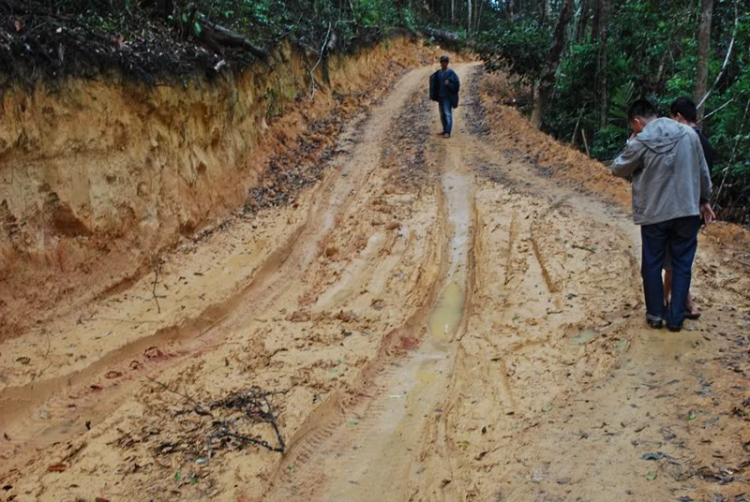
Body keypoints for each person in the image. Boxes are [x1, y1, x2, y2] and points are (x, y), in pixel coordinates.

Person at [612, 99, 713, 332]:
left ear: (638, 123)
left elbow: (618, 168)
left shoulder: (642, 140)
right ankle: (676, 319)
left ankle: (655, 315)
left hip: (655, 214)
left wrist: (632, 141)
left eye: (632, 128)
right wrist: (704, 200)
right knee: (682, 264)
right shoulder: (689, 134)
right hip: (687, 211)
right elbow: (702, 171)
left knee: (652, 263)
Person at [663, 97, 717, 319]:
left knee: (671, 262)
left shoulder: (681, 140)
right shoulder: (706, 142)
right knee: (682, 259)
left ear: (678, 117)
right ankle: (685, 302)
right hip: (694, 209)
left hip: (675, 208)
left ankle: (665, 304)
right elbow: (705, 178)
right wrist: (704, 201)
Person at [429, 55, 460, 138]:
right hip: (440, 97)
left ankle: (447, 132)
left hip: (448, 97)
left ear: (447, 63)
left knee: (447, 114)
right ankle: (444, 130)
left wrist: (449, 84)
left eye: (445, 62)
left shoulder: (451, 73)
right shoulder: (438, 73)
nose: (443, 63)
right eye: (442, 62)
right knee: (442, 114)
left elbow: (456, 85)